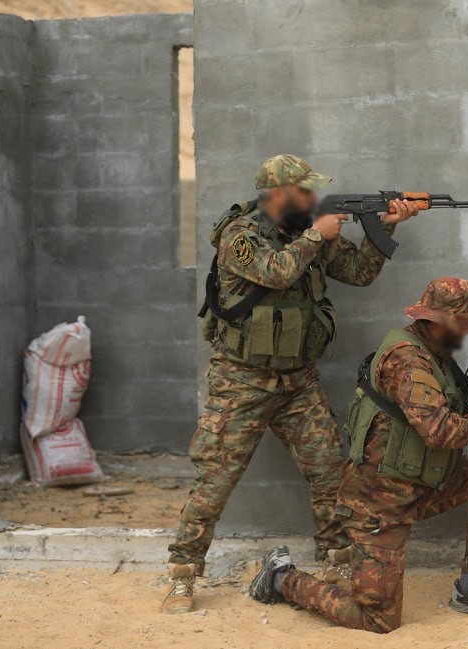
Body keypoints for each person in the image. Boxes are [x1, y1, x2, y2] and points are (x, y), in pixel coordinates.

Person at [162, 154, 421, 614]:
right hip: (240, 380)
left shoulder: (310, 227)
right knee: (216, 480)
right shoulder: (241, 236)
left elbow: (360, 273)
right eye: (304, 190)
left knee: (329, 473)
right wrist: (315, 235)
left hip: (298, 380)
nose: (312, 197)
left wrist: (388, 227)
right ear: (277, 194)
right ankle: (182, 573)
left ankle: (337, 562)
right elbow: (276, 271)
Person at [247, 277, 468, 632]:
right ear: (439, 324)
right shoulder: (407, 360)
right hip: (379, 505)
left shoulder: (437, 355)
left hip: (422, 485)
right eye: (465, 326)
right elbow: (440, 431)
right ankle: (280, 578)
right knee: (376, 620)